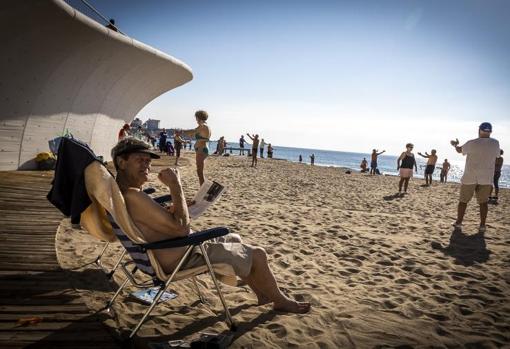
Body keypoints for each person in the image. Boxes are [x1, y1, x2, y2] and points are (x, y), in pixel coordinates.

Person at [110, 138, 310, 314]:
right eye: (140, 160)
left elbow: (155, 223)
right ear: (121, 162)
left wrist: (175, 208)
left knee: (235, 239)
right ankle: (281, 301)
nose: (147, 165)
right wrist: (175, 185)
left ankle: (262, 294)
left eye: (148, 160)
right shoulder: (133, 196)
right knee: (258, 254)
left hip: (172, 251)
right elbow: (182, 229)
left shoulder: (124, 195)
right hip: (182, 257)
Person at [450, 122, 500, 233]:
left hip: (470, 176)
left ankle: (459, 222)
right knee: (483, 203)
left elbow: (459, 150)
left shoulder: (472, 143)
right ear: (490, 131)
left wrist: (455, 145)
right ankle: (482, 225)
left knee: (463, 201)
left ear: (479, 130)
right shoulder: (496, 143)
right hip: (486, 178)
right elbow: (497, 156)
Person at [182, 110, 211, 185]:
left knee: (200, 172)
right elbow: (194, 133)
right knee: (199, 172)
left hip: (201, 149)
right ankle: (203, 188)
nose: (196, 119)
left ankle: (203, 189)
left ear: (198, 117)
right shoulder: (203, 126)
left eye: (196, 117)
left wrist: (181, 132)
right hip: (201, 149)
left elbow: (193, 131)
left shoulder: (203, 126)